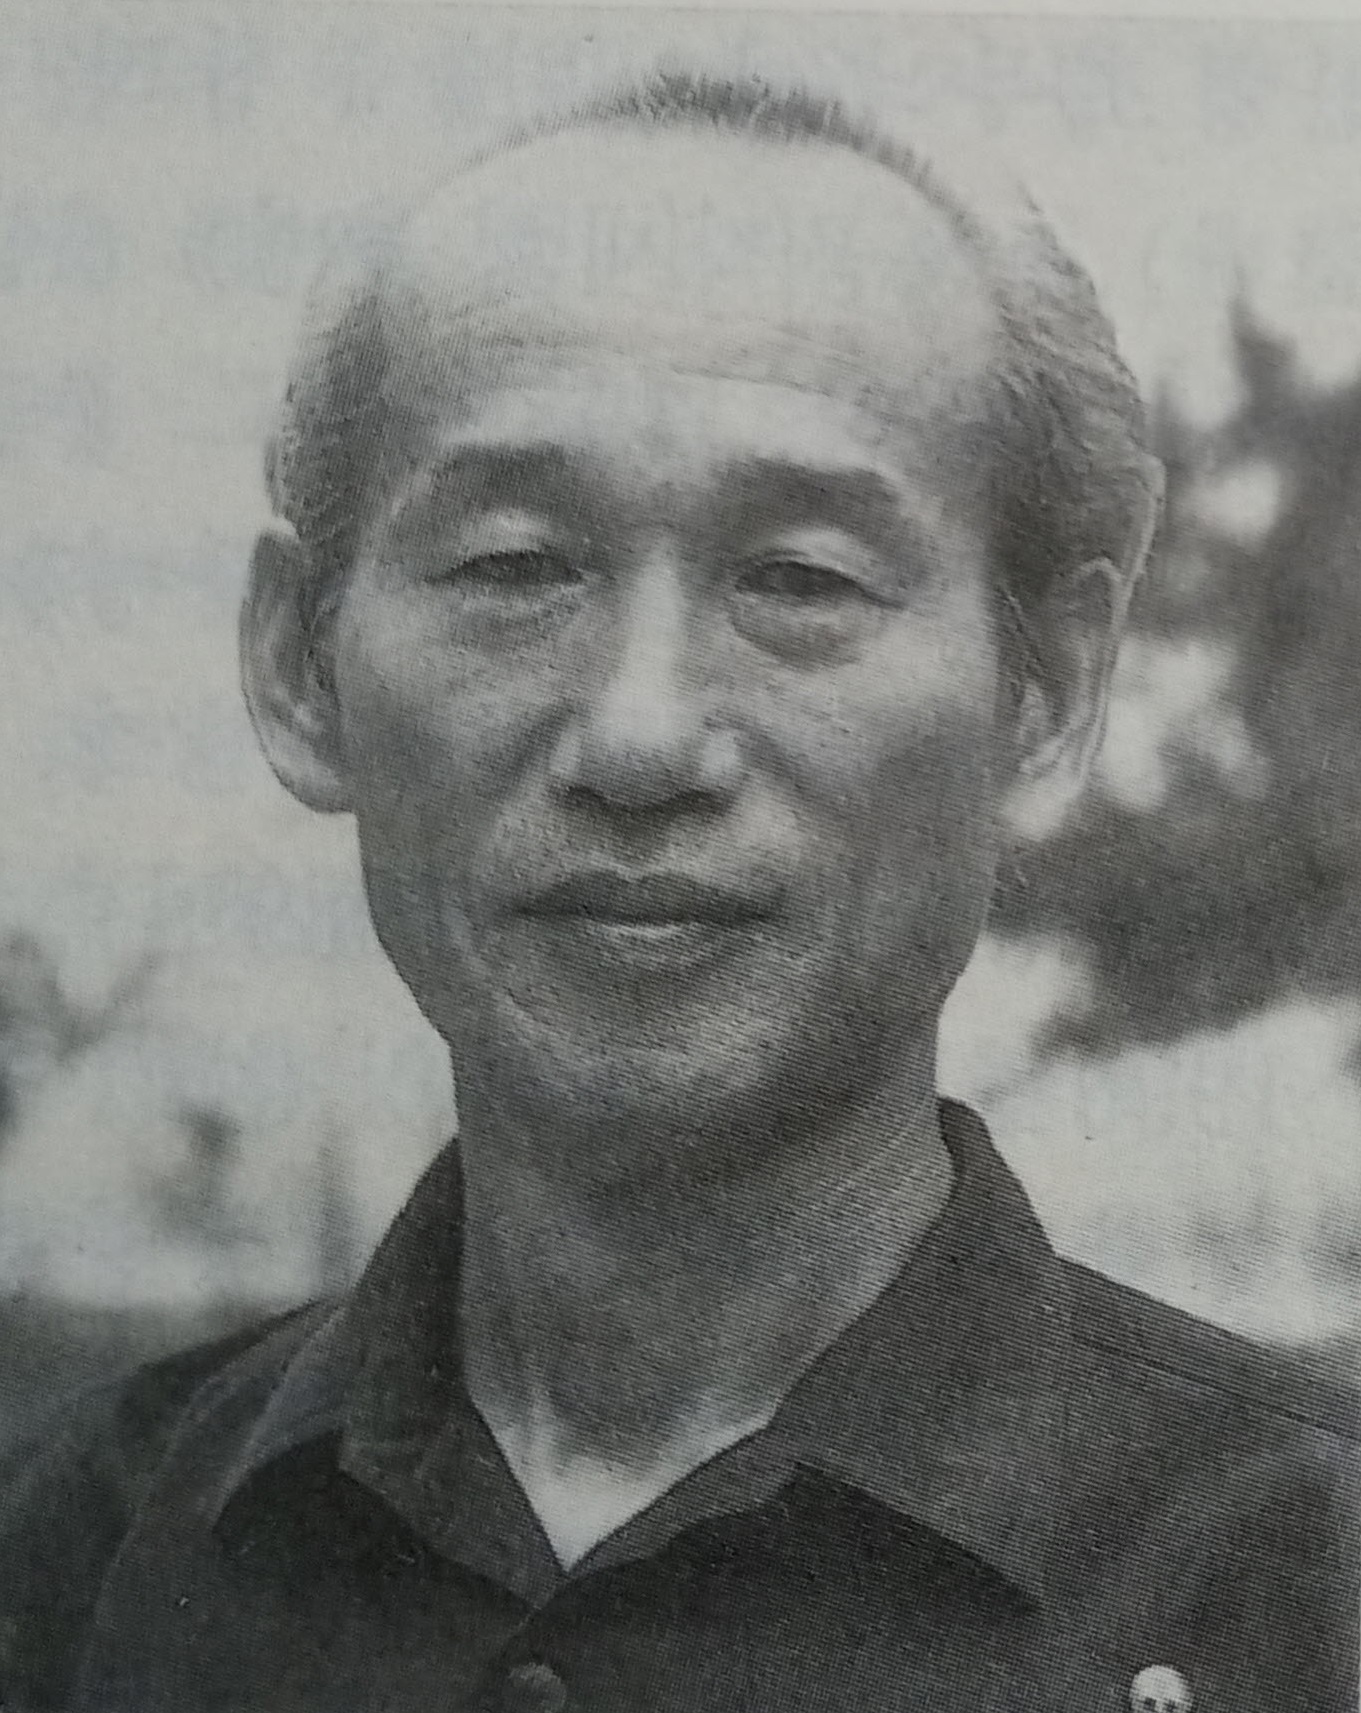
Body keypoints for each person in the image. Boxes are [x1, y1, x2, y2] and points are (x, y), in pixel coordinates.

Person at [1, 68, 1356, 1713]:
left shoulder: (1307, 1587)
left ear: (1049, 693)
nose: (639, 736)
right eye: (515, 565)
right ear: (298, 665)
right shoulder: (75, 1562)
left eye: (798, 576)